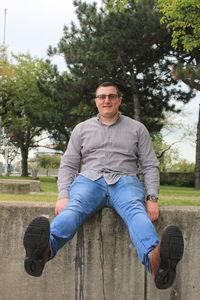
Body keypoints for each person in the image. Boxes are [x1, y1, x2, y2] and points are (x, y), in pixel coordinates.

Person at [23, 82, 184, 289]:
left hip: (125, 181)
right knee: (73, 209)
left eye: (111, 96)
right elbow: (69, 164)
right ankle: (41, 252)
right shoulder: (81, 129)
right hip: (89, 181)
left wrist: (152, 198)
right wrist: (63, 194)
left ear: (119, 100)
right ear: (96, 101)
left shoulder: (137, 129)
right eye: (102, 97)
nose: (106, 100)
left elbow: (150, 165)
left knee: (136, 213)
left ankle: (157, 262)